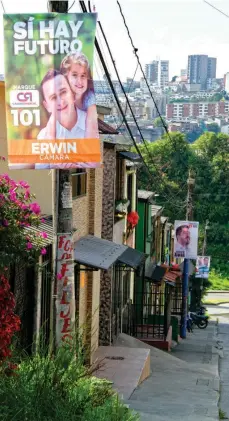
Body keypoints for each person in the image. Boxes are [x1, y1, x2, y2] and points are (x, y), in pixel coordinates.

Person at [36, 69, 87, 169]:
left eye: (63, 92)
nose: (60, 101)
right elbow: (41, 171)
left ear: (72, 93)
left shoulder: (91, 126)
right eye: (53, 98)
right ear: (47, 106)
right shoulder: (44, 136)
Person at [60, 51, 98, 139]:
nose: (79, 81)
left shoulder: (90, 97)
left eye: (83, 76)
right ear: (66, 77)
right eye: (74, 75)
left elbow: (91, 130)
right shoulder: (62, 96)